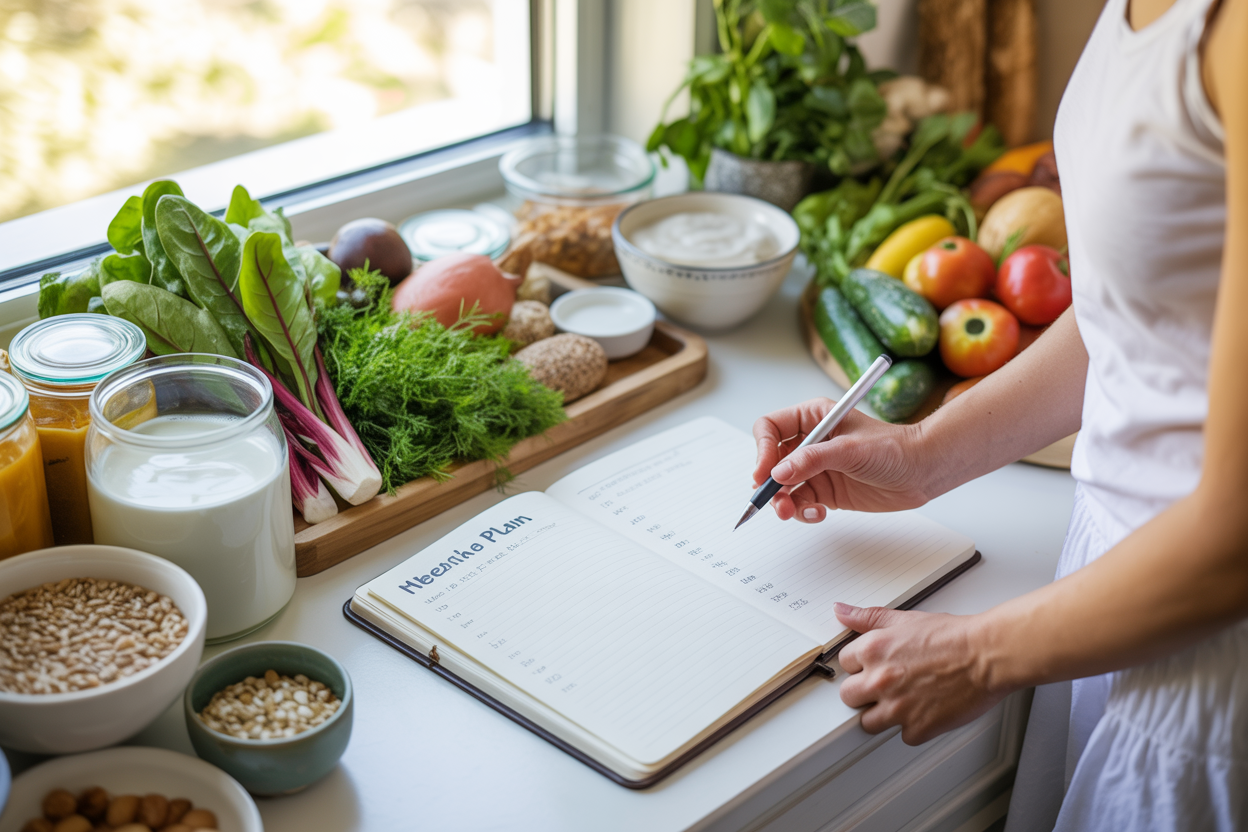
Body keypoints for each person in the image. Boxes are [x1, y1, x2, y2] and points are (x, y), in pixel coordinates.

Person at [750, 0, 1247, 828]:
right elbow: (1132, 311)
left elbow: (1235, 539)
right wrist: (922, 452)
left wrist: (980, 655)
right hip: (1104, 597)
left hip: (1201, 661)